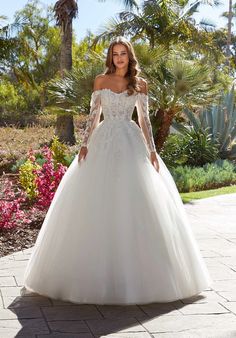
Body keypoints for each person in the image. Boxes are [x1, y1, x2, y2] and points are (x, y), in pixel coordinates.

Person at [23, 36, 212, 305]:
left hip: (130, 141)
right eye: (115, 54)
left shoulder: (140, 84)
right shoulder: (101, 81)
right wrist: (85, 143)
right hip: (103, 140)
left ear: (130, 56)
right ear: (110, 57)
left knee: (135, 200)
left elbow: (145, 120)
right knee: (96, 201)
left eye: (123, 54)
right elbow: (93, 114)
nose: (119, 58)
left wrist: (152, 151)